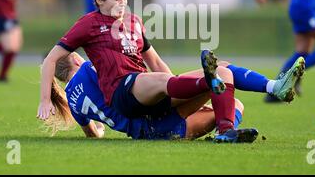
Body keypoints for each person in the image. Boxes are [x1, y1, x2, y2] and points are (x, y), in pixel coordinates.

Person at [38, 0, 305, 143]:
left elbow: (153, 60)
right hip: (127, 92)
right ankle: (208, 84)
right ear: (99, 1)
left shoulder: (132, 22)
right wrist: (44, 100)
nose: (123, 2)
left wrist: (182, 90)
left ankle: (266, 94)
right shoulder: (88, 28)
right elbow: (52, 59)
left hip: (152, 109)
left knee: (224, 74)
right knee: (164, 81)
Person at [42, 51, 255, 142]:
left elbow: (92, 134)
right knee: (224, 82)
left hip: (149, 132)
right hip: (154, 113)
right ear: (77, 59)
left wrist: (100, 128)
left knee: (220, 87)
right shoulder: (88, 68)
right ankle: (227, 127)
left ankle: (224, 132)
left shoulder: (71, 100)